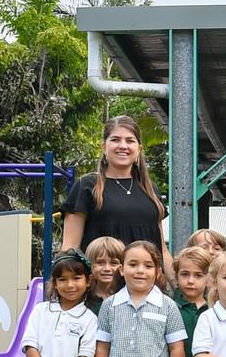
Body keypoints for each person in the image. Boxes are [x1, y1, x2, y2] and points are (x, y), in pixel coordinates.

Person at [60, 116, 172, 274]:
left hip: (146, 289)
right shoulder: (87, 186)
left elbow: (163, 251)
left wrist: (177, 287)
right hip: (102, 288)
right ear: (103, 147)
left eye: (130, 141)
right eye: (115, 140)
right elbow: (70, 248)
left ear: (139, 149)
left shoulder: (151, 190)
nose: (123, 146)